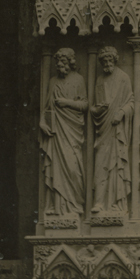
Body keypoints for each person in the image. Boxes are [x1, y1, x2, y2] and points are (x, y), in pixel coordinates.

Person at [39, 47, 87, 217]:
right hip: (56, 132)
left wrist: (67, 103)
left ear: (70, 63)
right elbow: (46, 107)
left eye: (63, 62)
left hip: (72, 131)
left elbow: (84, 105)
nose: (60, 65)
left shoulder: (79, 80)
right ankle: (56, 207)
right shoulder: (52, 81)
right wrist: (42, 122)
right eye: (58, 62)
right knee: (55, 167)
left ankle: (74, 206)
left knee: (74, 168)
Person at [91, 45, 133, 215]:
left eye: (109, 60)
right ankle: (99, 202)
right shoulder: (100, 80)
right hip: (103, 129)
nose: (107, 63)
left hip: (117, 129)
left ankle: (117, 203)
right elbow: (94, 107)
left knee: (116, 165)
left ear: (115, 60)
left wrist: (122, 112)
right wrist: (97, 110)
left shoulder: (124, 78)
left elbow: (131, 102)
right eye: (104, 61)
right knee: (100, 163)